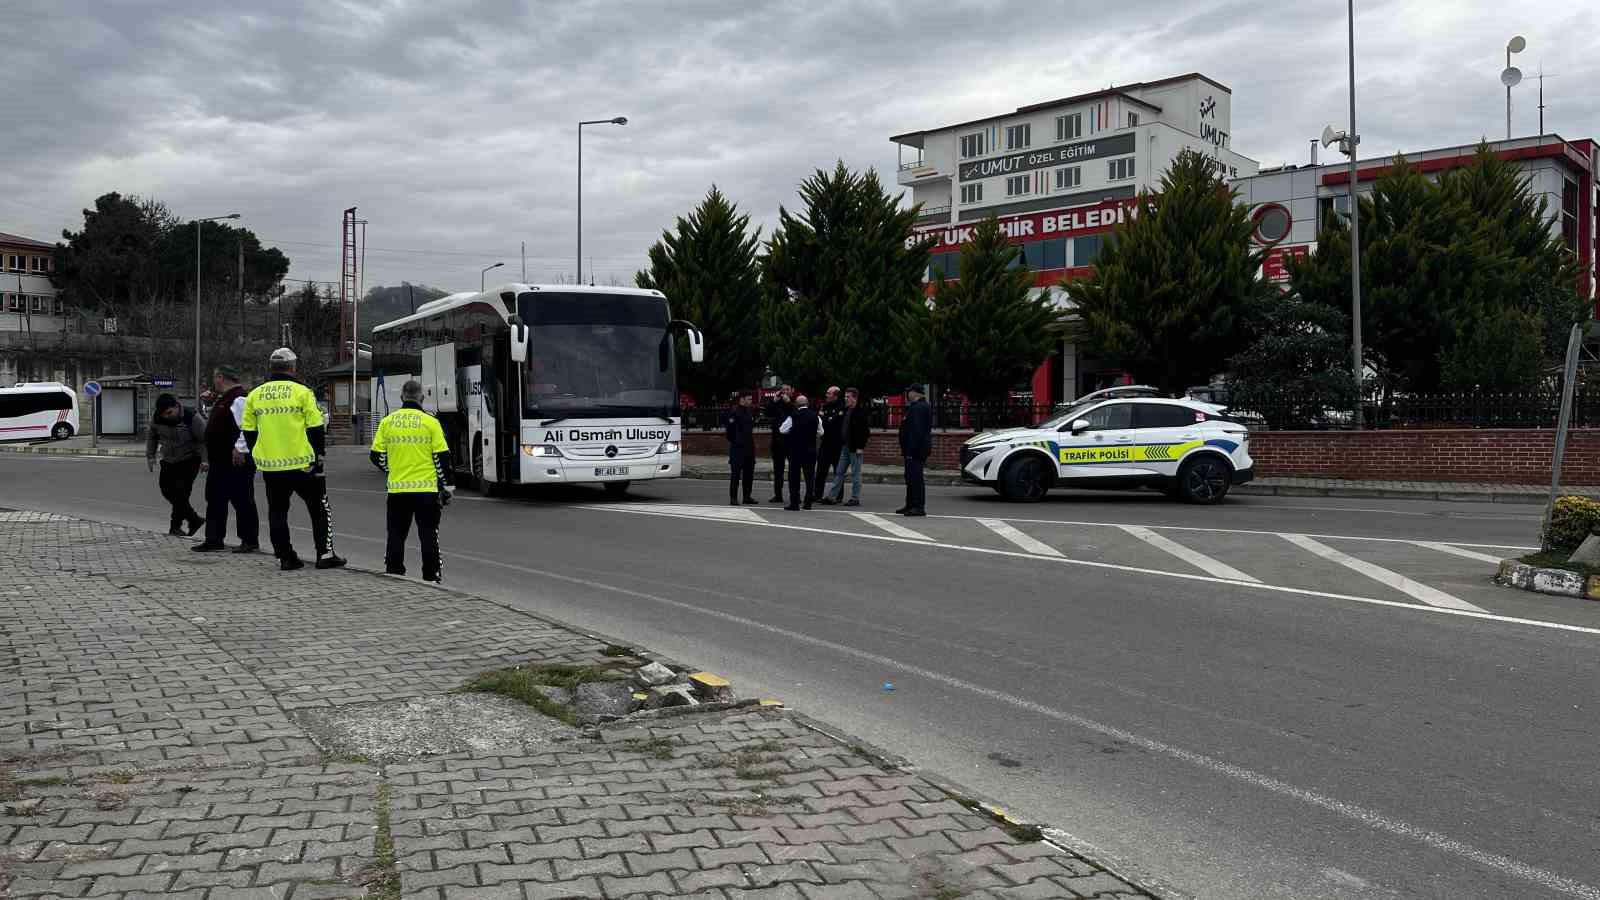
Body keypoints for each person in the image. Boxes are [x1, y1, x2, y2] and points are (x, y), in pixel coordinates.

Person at [242, 347, 346, 572]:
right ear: (293, 367)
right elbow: (316, 428)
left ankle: (286, 557)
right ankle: (324, 554)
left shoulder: (255, 395)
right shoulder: (303, 392)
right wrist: (318, 456)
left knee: (277, 511)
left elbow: (249, 432)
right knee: (319, 508)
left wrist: (259, 452)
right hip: (303, 464)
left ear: (272, 367)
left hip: (272, 465)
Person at [371, 379, 453, 583]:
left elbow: (376, 455)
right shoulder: (431, 423)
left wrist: (391, 468)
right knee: (428, 535)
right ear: (422, 398)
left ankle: (394, 570)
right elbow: (442, 458)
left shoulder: (387, 422)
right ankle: (431, 576)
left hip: (398, 490)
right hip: (426, 491)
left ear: (401, 397)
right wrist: (447, 488)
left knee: (396, 533)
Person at [191, 366, 261, 553]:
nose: (214, 382)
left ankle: (249, 540)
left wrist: (240, 448)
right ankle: (213, 539)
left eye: (215, 378)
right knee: (215, 499)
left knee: (242, 500)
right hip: (219, 460)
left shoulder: (239, 398)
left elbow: (247, 426)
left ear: (221, 377)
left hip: (234, 460)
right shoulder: (224, 399)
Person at [145, 393, 207, 536]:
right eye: (164, 414)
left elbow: (205, 439)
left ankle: (175, 527)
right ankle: (194, 519)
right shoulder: (157, 417)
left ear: (176, 406)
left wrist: (205, 460)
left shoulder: (191, 417)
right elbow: (152, 436)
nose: (167, 416)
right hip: (168, 459)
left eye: (169, 413)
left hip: (189, 459)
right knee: (166, 490)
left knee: (181, 493)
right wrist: (150, 456)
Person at [822, 387, 870, 507]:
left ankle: (855, 498)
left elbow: (865, 432)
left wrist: (860, 447)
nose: (846, 399)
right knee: (839, 472)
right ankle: (832, 497)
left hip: (855, 448)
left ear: (855, 398)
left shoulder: (860, 412)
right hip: (845, 446)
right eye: (845, 396)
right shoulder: (845, 410)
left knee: (855, 473)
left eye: (848, 397)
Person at [778, 393, 824, 511]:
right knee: (809, 477)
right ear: (807, 404)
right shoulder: (816, 416)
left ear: (797, 405)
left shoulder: (793, 416)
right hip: (810, 450)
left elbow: (782, 430)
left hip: (795, 450)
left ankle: (794, 503)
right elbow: (821, 432)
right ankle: (808, 502)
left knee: (794, 477)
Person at [897, 384, 933, 517]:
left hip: (915, 450)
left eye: (909, 392)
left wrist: (911, 450)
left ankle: (918, 507)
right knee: (910, 477)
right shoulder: (916, 406)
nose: (907, 395)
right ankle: (910, 504)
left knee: (916, 478)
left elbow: (916, 431)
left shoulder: (919, 407)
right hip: (911, 449)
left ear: (915, 393)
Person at [723, 392, 758, 506]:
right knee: (736, 474)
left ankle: (747, 496)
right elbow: (730, 432)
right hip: (738, 448)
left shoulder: (749, 411)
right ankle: (733, 498)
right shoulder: (734, 412)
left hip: (749, 447)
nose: (751, 401)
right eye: (749, 399)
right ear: (742, 399)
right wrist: (737, 442)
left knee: (749, 473)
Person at [763, 384, 794, 504]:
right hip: (777, 441)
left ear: (791, 391)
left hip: (791, 441)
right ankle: (778, 494)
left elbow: (797, 415)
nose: (784, 392)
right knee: (778, 470)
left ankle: (794, 494)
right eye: (782, 390)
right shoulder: (776, 403)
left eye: (787, 390)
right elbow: (767, 413)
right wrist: (773, 401)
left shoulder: (795, 403)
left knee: (793, 469)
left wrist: (789, 403)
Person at [816, 386, 845, 492]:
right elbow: (819, 422)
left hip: (837, 444)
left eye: (829, 393)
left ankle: (837, 496)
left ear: (835, 396)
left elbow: (834, 424)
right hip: (825, 443)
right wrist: (827, 419)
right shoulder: (824, 406)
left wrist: (826, 419)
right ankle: (817, 494)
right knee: (820, 470)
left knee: (838, 471)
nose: (826, 395)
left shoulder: (841, 408)